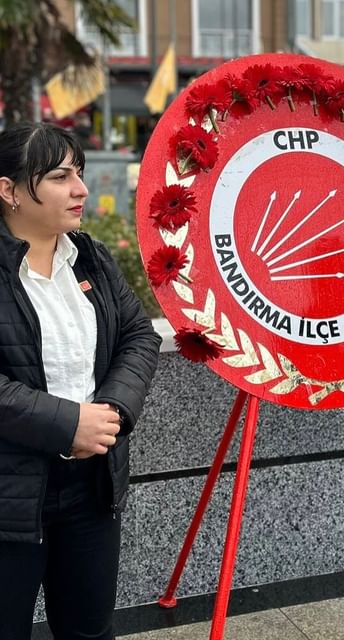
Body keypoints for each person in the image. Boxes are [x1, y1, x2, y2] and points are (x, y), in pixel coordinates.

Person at [0, 122, 161, 639]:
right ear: (9, 190)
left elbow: (139, 335)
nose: (81, 190)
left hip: (92, 488)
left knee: (89, 631)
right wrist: (67, 423)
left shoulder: (89, 257)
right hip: (10, 496)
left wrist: (112, 410)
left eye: (80, 174)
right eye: (60, 177)